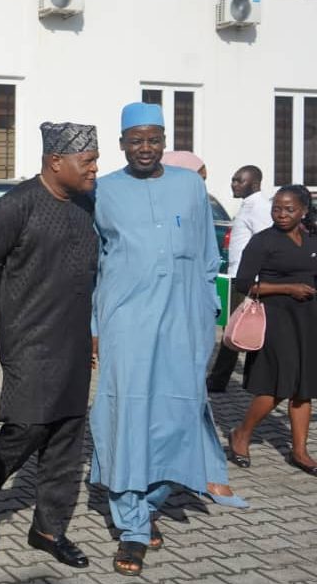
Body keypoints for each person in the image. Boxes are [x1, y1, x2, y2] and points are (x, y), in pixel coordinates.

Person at [89, 102, 239, 577]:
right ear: (122, 144)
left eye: (154, 139)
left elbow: (206, 254)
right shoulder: (104, 190)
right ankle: (132, 524)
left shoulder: (190, 186)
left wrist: (205, 310)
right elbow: (94, 262)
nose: (146, 148)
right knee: (126, 414)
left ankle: (153, 494)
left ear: (164, 141)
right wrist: (95, 327)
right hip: (125, 322)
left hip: (182, 321)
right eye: (136, 140)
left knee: (177, 411)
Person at [0, 122, 99, 569]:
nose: (95, 169)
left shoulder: (85, 205)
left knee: (66, 433)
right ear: (55, 162)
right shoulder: (16, 205)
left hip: (74, 340)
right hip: (29, 339)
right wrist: (8, 301)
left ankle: (48, 529)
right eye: (88, 161)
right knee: (27, 425)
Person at [226, 185, 317, 477]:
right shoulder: (263, 241)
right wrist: (287, 288)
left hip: (308, 321)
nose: (281, 214)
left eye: (289, 209)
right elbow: (243, 284)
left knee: (303, 387)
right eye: (276, 208)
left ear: (303, 210)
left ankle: (300, 451)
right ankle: (241, 433)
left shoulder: (312, 239)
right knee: (278, 385)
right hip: (275, 320)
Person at [207, 165, 273, 392]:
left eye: (239, 181)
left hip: (248, 278)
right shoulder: (247, 206)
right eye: (233, 180)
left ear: (254, 183)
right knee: (234, 329)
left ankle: (218, 380)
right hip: (238, 275)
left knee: (235, 330)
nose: (233, 184)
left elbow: (267, 242)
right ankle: (221, 379)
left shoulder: (260, 208)